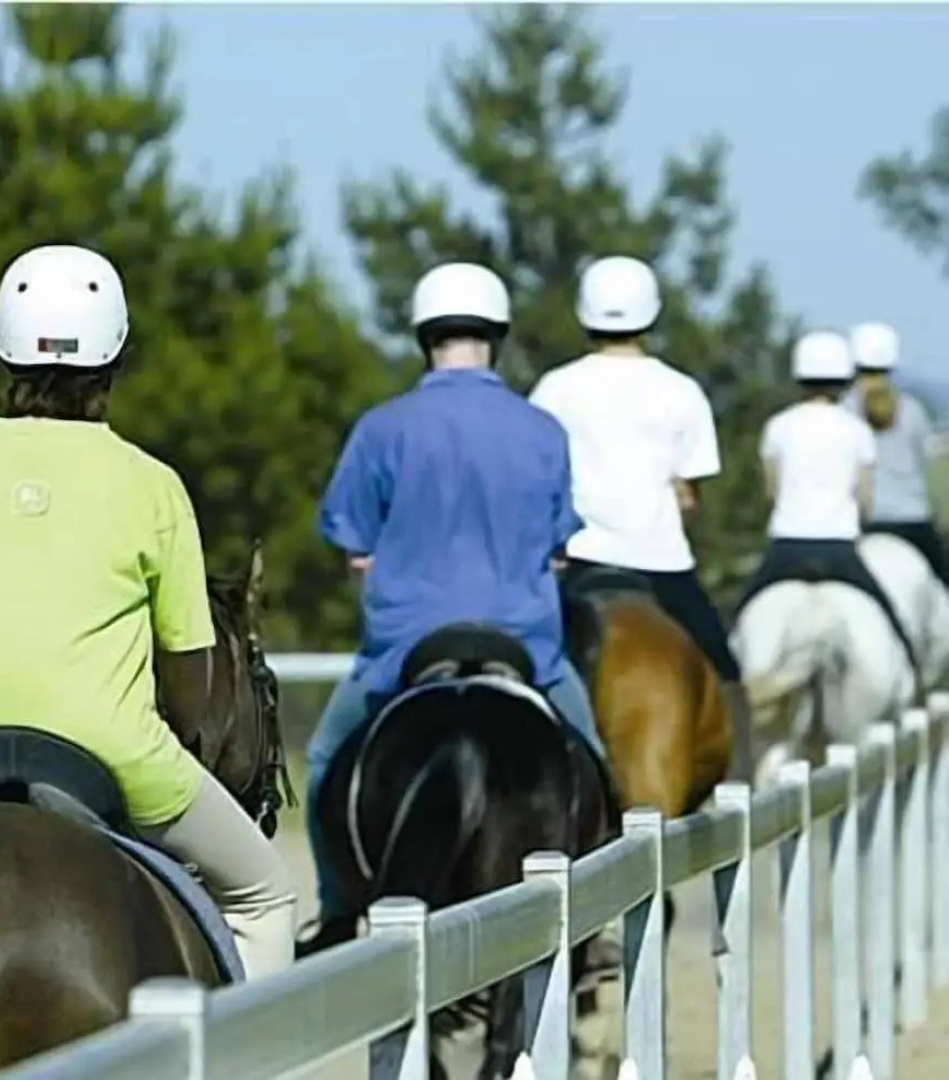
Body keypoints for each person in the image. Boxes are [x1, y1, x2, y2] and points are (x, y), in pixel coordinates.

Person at [0, 244, 296, 979]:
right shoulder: (152, 485)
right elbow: (188, 669)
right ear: (113, 356)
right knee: (265, 896)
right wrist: (182, 733)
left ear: (4, 349)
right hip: (114, 758)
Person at [306, 261, 603, 922]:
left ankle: (335, 913)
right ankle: (594, 923)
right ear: (495, 334)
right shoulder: (541, 430)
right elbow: (558, 553)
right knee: (600, 769)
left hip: (406, 650)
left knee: (325, 759)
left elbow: (355, 549)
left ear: (423, 336)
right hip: (524, 648)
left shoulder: (381, 428)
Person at [528, 255, 751, 759]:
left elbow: (534, 485)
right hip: (661, 566)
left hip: (574, 564)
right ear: (651, 313)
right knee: (726, 674)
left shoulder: (553, 389)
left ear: (584, 313)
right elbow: (688, 496)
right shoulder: (682, 391)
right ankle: (742, 787)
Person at [734, 329, 921, 684]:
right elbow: (864, 499)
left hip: (785, 548)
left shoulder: (778, 426)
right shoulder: (856, 430)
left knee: (740, 622)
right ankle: (913, 674)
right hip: (840, 549)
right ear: (843, 378)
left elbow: (771, 492)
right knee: (891, 623)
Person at [844, 320, 946, 583]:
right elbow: (928, 462)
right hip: (913, 522)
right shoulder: (913, 409)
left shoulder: (844, 410)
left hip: (861, 523)